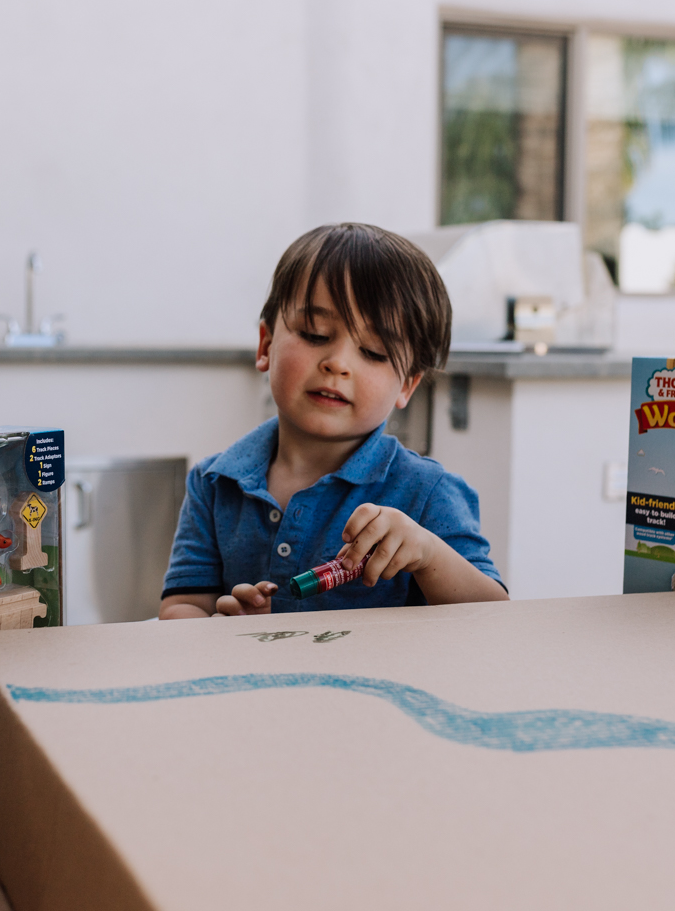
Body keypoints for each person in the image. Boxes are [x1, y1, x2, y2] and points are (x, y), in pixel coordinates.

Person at [160, 222, 508, 618]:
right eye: (314, 334)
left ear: (406, 387)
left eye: (375, 352)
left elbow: (495, 618)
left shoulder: (427, 492)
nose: (338, 364)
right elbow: (181, 606)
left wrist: (428, 553)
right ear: (266, 345)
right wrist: (219, 627)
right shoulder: (213, 484)